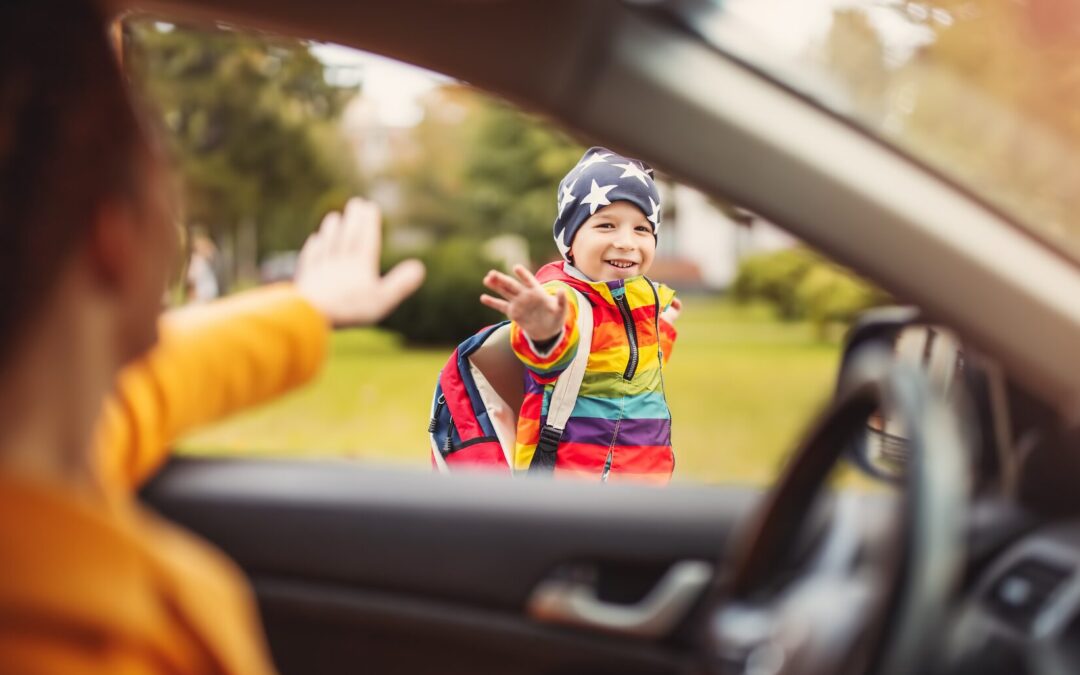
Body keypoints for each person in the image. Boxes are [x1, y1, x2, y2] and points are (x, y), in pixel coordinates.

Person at [0, 1, 424, 672]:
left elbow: (156, 382)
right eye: (143, 130)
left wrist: (307, 308)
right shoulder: (121, 643)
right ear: (113, 230)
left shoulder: (44, 444)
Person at [480, 147, 681, 482]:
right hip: (570, 484)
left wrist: (662, 329)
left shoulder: (643, 298)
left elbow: (635, 369)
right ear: (570, 240)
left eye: (642, 229)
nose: (627, 242)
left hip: (644, 479)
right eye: (606, 225)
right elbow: (549, 358)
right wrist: (544, 332)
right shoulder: (562, 298)